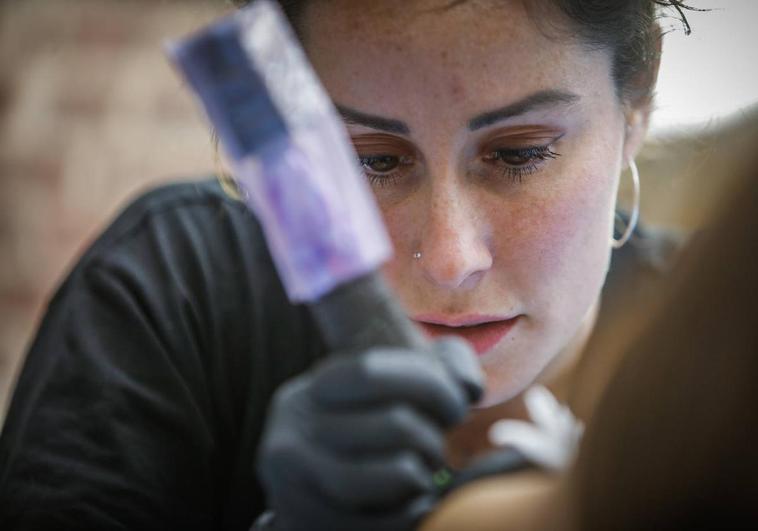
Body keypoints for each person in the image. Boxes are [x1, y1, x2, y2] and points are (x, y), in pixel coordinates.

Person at [0, 1, 693, 529]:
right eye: (373, 160)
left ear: (636, 105)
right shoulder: (173, 291)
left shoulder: (727, 341)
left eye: (519, 153)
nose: (451, 259)